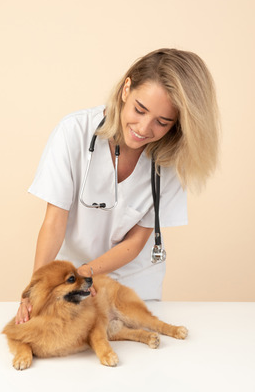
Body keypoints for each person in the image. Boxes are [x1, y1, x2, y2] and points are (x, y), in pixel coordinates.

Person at [16, 48, 219, 324]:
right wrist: (36, 290)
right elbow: (53, 222)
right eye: (140, 109)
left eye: (162, 122)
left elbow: (136, 242)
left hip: (135, 285)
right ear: (126, 89)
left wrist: (90, 270)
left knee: (141, 351)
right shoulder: (73, 132)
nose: (144, 128)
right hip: (71, 283)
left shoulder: (170, 160)